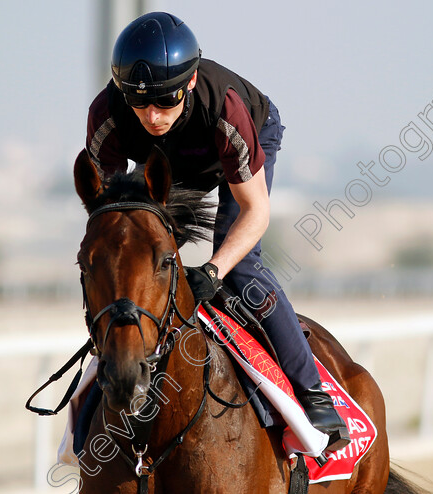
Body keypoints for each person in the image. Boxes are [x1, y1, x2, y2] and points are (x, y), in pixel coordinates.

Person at [85, 11, 348, 450]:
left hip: (242, 143)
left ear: (188, 84)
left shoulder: (225, 109)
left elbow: (255, 212)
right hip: (170, 163)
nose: (152, 116)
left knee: (242, 270)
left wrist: (213, 270)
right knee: (129, 266)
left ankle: (313, 393)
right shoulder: (106, 117)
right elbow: (109, 219)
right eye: (139, 102)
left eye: (165, 101)